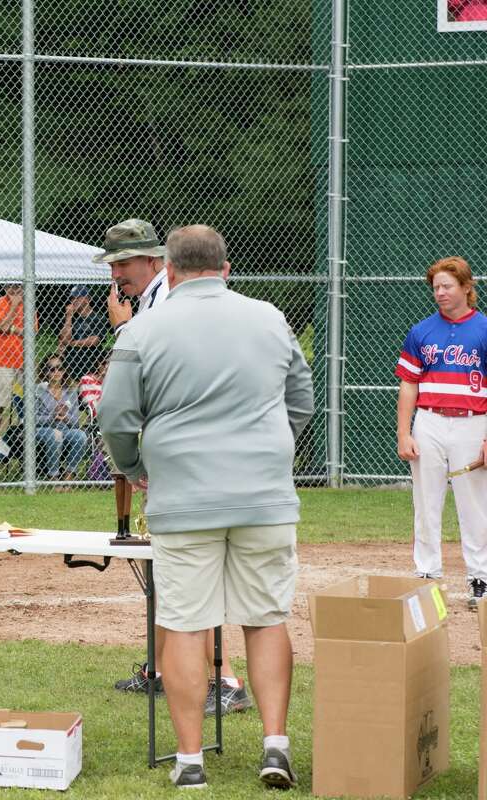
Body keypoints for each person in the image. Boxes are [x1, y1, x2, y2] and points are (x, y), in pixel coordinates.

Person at [98, 225, 314, 789]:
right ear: (226, 267)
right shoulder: (269, 317)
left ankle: (190, 760)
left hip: (184, 495)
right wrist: (270, 449)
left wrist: (137, 469)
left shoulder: (143, 329)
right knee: (266, 619)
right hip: (263, 495)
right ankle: (274, 746)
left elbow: (116, 417)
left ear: (169, 269)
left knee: (186, 626)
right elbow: (302, 400)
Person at [97, 217, 248, 713]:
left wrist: (125, 330)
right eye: (114, 264)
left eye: (122, 263)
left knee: (190, 569)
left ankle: (225, 679)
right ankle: (164, 666)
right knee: (169, 565)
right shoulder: (154, 296)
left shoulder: (164, 300)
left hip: (189, 455)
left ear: (151, 259)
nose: (116, 273)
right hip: (180, 449)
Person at [395, 255, 487, 606]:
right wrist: (405, 433)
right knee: (426, 501)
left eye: (447, 286)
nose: (440, 293)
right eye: (435, 287)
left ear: (466, 287)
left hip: (472, 421)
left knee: (474, 503)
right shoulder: (422, 331)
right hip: (429, 421)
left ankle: (480, 578)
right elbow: (408, 385)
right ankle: (427, 574)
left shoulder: (483, 328)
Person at [0, 283, 36, 448]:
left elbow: (31, 332)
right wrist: (14, 307)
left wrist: (12, 328)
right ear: (5, 287)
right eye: (10, 286)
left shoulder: (29, 306)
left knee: (25, 407)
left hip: (23, 363)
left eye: (18, 286)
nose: (14, 290)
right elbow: (0, 327)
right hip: (1, 362)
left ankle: (16, 445)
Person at [33, 355, 88, 488]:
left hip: (65, 429)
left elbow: (76, 422)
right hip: (42, 430)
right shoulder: (38, 389)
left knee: (80, 435)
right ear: (45, 372)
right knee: (55, 434)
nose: (57, 372)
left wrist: (66, 417)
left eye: (60, 368)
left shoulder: (71, 391)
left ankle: (68, 477)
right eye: (52, 369)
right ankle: (54, 477)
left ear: (65, 371)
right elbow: (31, 419)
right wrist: (52, 417)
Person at [59, 285, 106, 383]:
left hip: (90, 368)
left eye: (77, 298)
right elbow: (63, 339)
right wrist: (68, 316)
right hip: (71, 368)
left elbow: (94, 341)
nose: (74, 301)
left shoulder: (98, 318)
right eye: (72, 298)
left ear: (87, 299)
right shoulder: (71, 318)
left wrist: (71, 343)